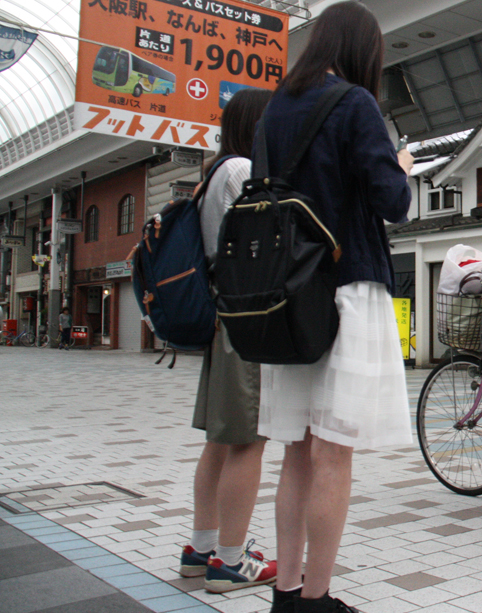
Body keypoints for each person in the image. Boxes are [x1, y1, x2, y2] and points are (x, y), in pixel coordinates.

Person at [255, 3, 414, 612]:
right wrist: (400, 167)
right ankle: (318, 599)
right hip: (346, 288)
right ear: (360, 51)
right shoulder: (354, 104)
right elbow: (391, 201)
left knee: (296, 448)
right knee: (332, 450)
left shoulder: (275, 109)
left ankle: (287, 592)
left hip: (287, 294)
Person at [177, 88, 278, 594]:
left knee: (220, 441)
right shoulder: (241, 172)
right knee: (246, 441)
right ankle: (232, 561)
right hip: (245, 320)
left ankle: (201, 548)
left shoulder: (213, 174)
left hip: (222, 320)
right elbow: (263, 247)